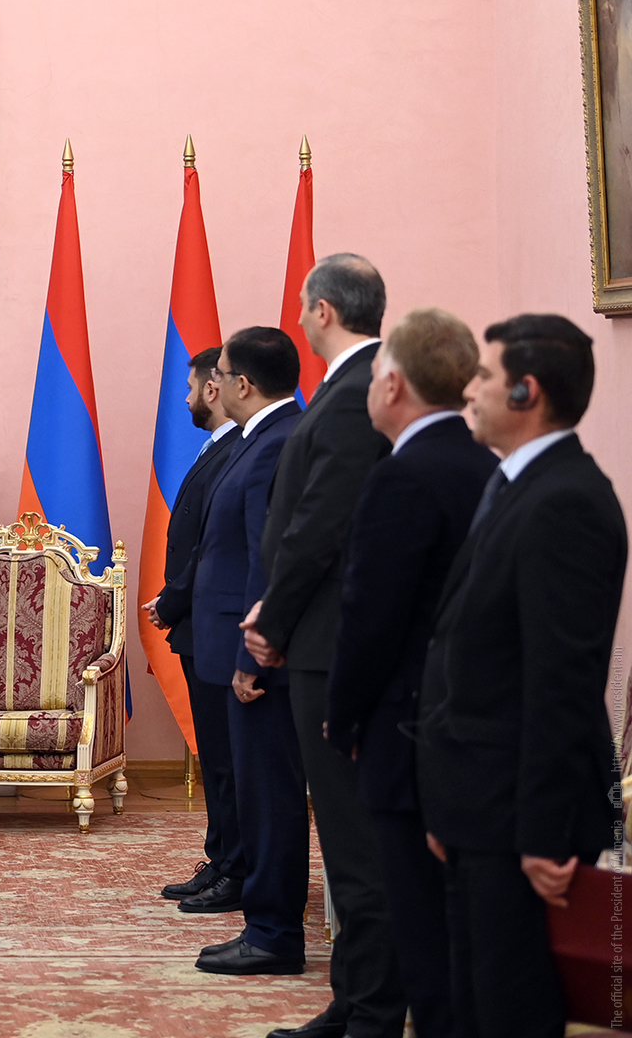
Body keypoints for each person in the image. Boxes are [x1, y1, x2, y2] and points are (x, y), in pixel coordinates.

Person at [420, 314, 628, 1038]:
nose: (468, 390)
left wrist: (542, 834)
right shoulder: (517, 483)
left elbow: (560, 682)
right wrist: (446, 806)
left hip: (518, 820)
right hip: (477, 805)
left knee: (509, 1010)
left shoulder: (567, 501)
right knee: (470, 1004)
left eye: (483, 375)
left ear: (525, 391)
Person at [241, 254, 404, 1038]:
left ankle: (370, 1012)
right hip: (322, 636)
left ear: (325, 310)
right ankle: (355, 1000)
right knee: (346, 838)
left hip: (326, 643)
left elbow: (320, 525)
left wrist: (273, 621)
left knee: (352, 838)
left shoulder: (351, 393)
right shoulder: (356, 386)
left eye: (305, 306)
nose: (300, 318)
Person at [325, 308, 496, 1038]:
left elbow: (370, 617)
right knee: (466, 938)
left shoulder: (402, 476)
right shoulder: (489, 466)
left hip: (407, 733)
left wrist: (343, 718)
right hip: (476, 729)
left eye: (372, 377)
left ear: (392, 384)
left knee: (426, 938)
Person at [190, 327, 308, 977]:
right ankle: (264, 923)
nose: (211, 385)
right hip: (230, 643)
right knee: (255, 793)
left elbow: (270, 556)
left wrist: (254, 657)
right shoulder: (254, 438)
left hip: (255, 655)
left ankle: (273, 932)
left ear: (242, 383)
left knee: (269, 797)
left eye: (220, 373)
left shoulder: (278, 441)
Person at [146, 346, 245, 913]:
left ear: (214, 388)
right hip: (199, 621)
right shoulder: (220, 448)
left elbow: (213, 545)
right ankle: (222, 857)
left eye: (190, 387)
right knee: (217, 754)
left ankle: (235, 866)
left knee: (227, 758)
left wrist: (173, 599)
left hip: (213, 621)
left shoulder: (238, 449)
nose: (184, 399)